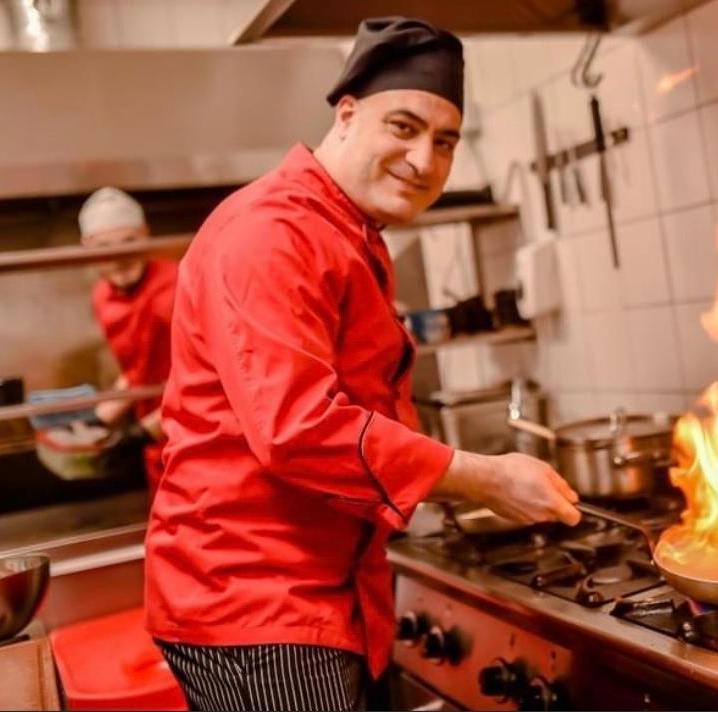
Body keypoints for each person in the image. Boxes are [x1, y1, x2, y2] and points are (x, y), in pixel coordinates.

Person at [144, 16, 581, 711]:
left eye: (445, 141)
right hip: (256, 597)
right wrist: (481, 477)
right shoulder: (272, 233)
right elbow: (298, 429)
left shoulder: (346, 229)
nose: (424, 160)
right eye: (403, 127)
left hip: (322, 589)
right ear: (346, 115)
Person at [78, 187, 175, 491]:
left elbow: (209, 380)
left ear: (145, 234)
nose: (119, 259)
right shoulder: (103, 296)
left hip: (195, 434)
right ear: (86, 247)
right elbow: (137, 372)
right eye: (105, 247)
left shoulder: (174, 288)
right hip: (155, 440)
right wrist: (97, 420)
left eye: (129, 242)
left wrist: (142, 432)